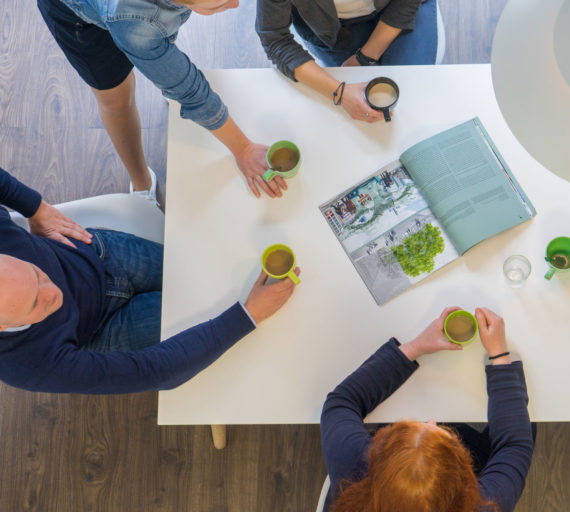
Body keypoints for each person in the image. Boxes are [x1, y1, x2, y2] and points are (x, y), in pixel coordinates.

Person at [0, 167, 299, 393]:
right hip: (100, 330)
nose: (55, 290)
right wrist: (249, 314)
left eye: (38, 275)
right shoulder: (24, 363)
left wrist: (34, 206)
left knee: (208, 281)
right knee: (212, 312)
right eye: (36, 303)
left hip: (100, 254)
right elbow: (155, 371)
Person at [37, 0, 287, 201]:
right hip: (78, 16)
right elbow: (193, 94)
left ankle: (164, 77)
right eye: (219, 4)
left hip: (143, 16)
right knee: (116, 101)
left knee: (159, 43)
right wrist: (243, 148)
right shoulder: (135, 23)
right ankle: (141, 182)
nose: (234, 5)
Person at [320, 307, 534, 512]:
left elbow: (341, 402)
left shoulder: (351, 471)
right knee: (527, 426)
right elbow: (514, 447)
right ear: (464, 480)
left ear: (373, 457)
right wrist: (499, 355)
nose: (431, 421)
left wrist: (416, 347)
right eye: (440, 433)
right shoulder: (487, 505)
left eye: (409, 430)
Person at [256, 0, 438, 123]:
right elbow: (275, 39)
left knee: (413, 100)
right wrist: (340, 94)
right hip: (333, 28)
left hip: (399, 5)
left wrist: (365, 57)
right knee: (363, 113)